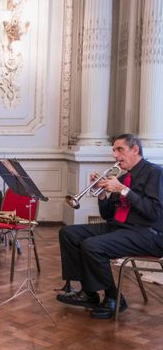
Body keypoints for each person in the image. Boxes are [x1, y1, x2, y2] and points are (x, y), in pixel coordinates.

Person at [57, 134, 163, 319]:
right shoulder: (122, 177)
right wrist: (102, 194)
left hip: (147, 232)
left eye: (119, 149)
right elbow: (107, 215)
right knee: (69, 233)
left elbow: (153, 212)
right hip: (120, 227)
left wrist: (123, 190)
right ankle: (89, 293)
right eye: (113, 150)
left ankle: (114, 298)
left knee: (93, 246)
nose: (115, 154)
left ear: (135, 150)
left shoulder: (155, 172)